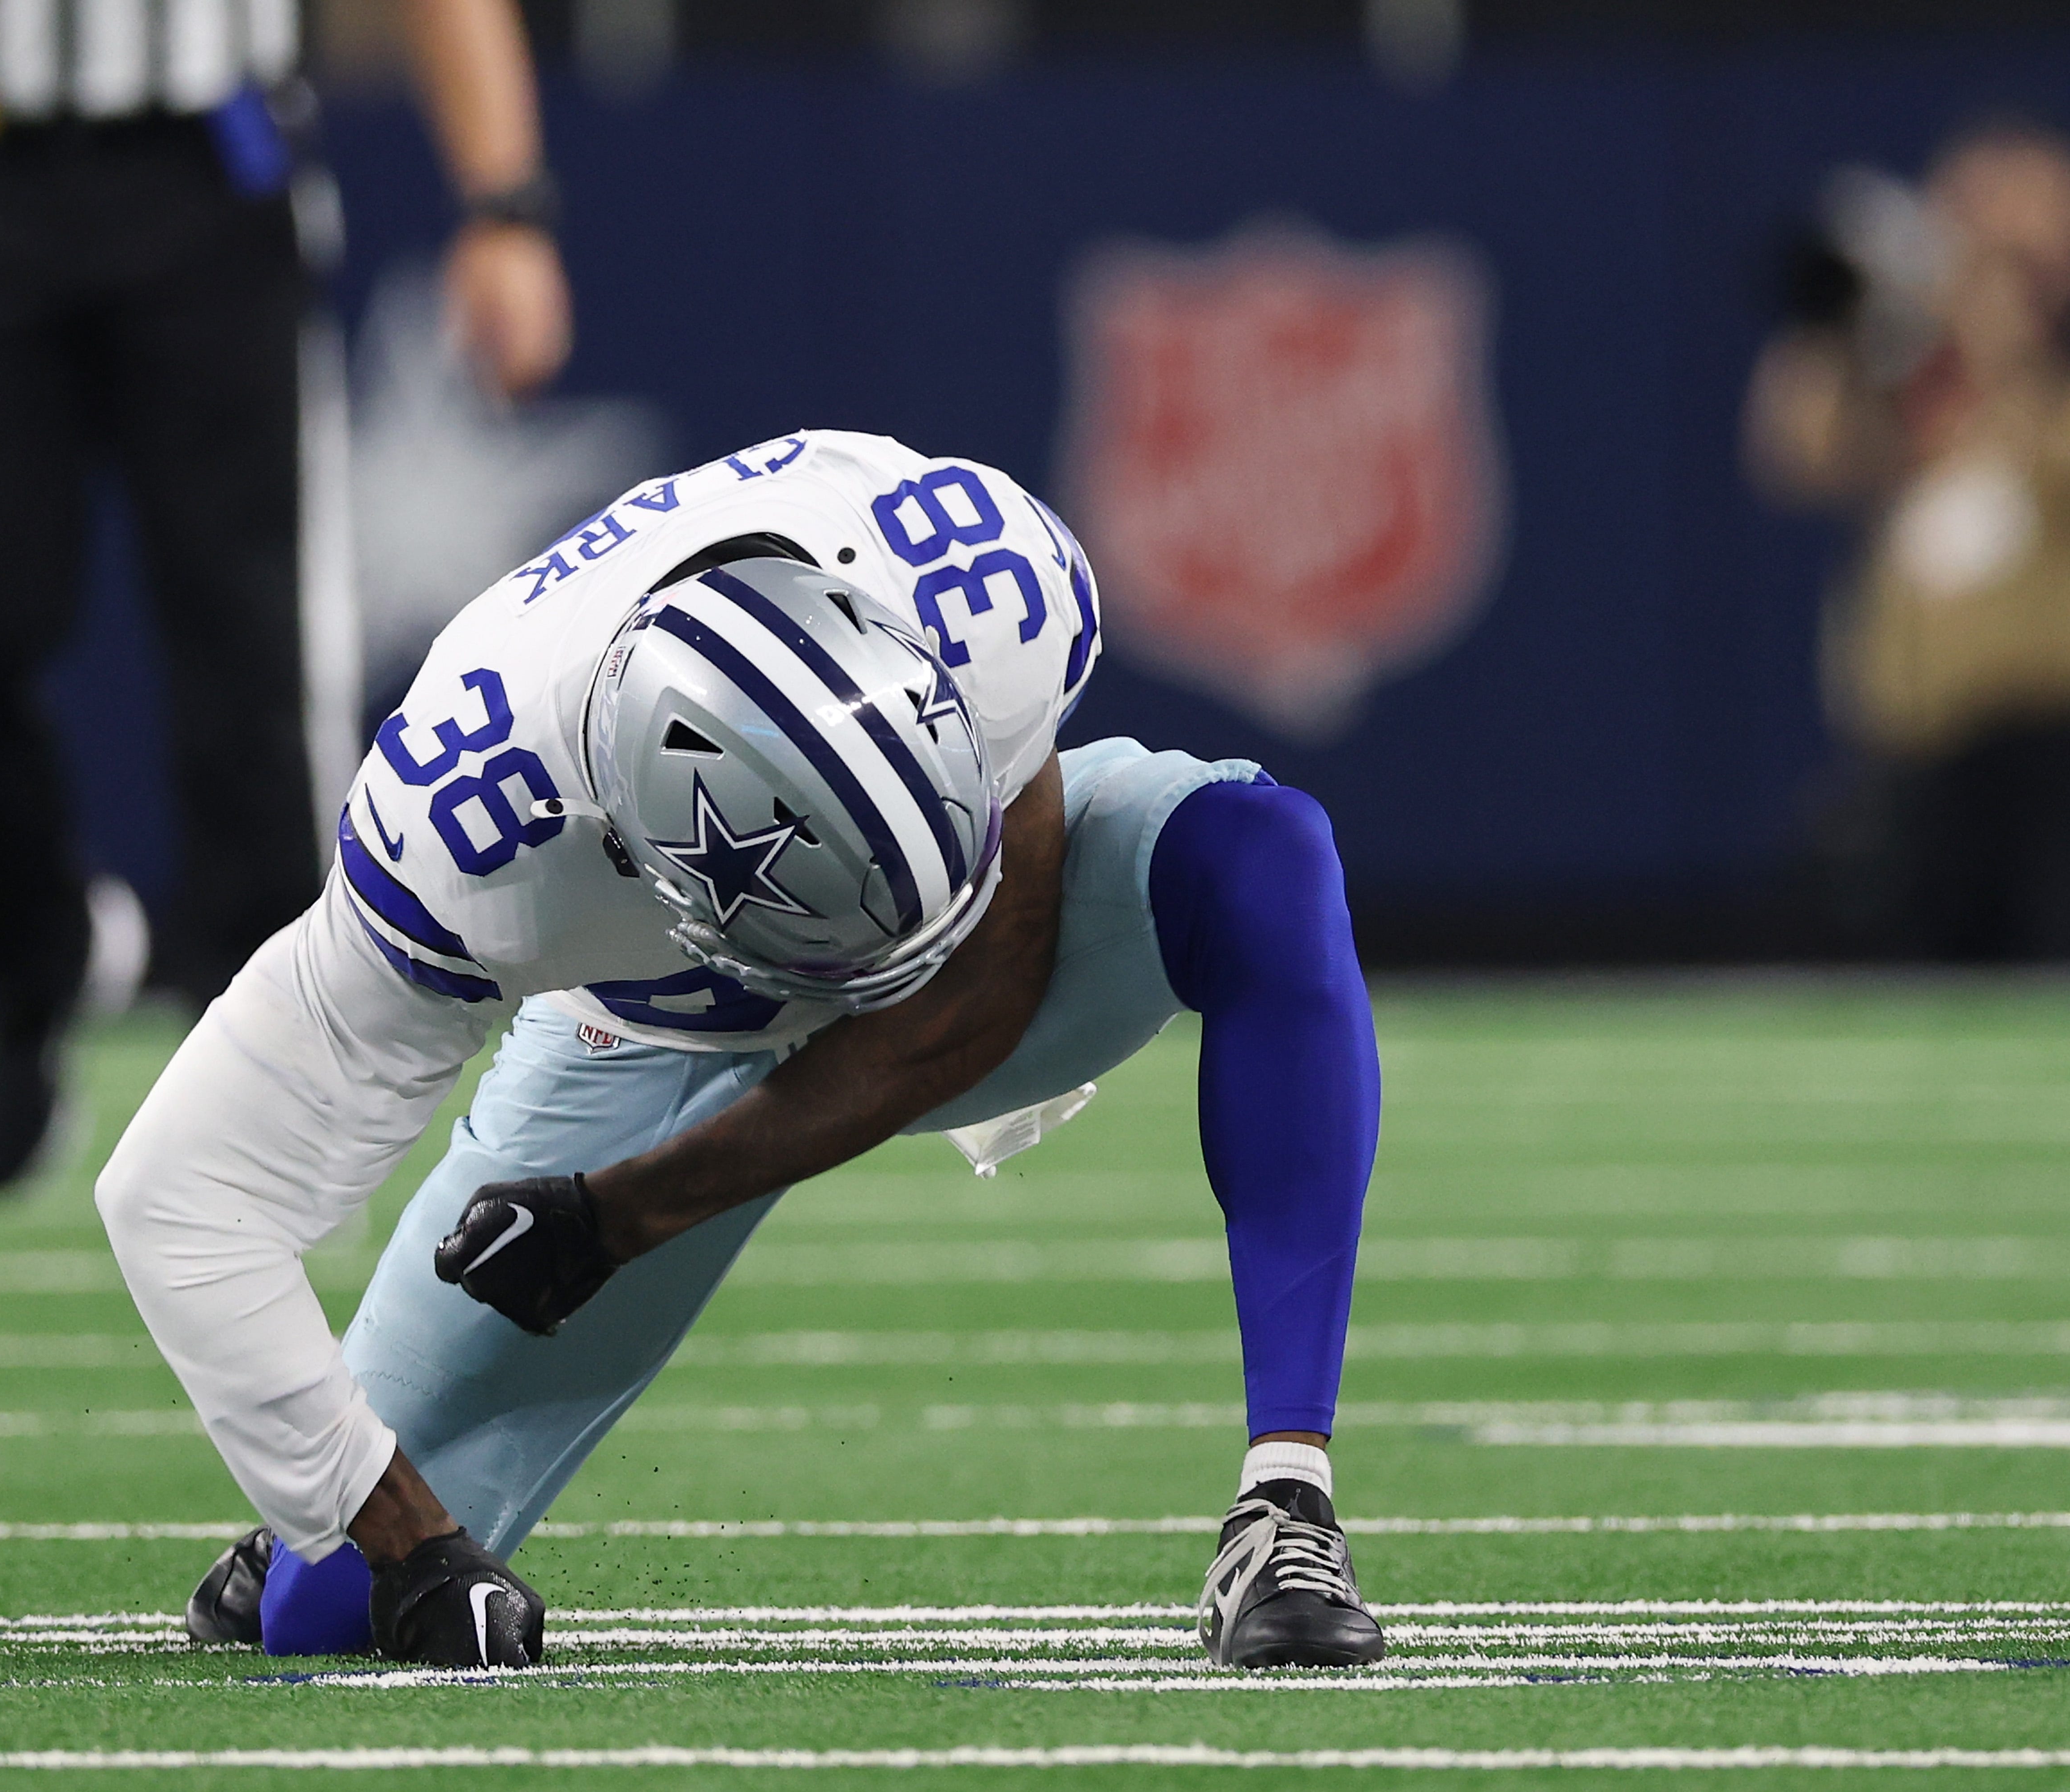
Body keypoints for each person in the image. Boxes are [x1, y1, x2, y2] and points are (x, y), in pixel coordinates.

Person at [95, 431, 1387, 1672]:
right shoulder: (464, 825)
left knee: (1262, 859)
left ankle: (1287, 1509)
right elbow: (178, 1198)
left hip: (993, 959)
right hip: (639, 1035)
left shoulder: (965, 576)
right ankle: (310, 1529)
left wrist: (618, 1218)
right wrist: (409, 1539)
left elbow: (959, 1010)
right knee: (331, 1612)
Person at [0, 0, 573, 1190]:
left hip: (207, 169)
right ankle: (40, 954)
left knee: (249, 653)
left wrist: (506, 206)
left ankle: (266, 1071)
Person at [1746, 121, 2070, 962]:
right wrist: (1847, 329)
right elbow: (1794, 454)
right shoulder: (1910, 367)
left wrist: (2012, 359)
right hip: (1929, 759)